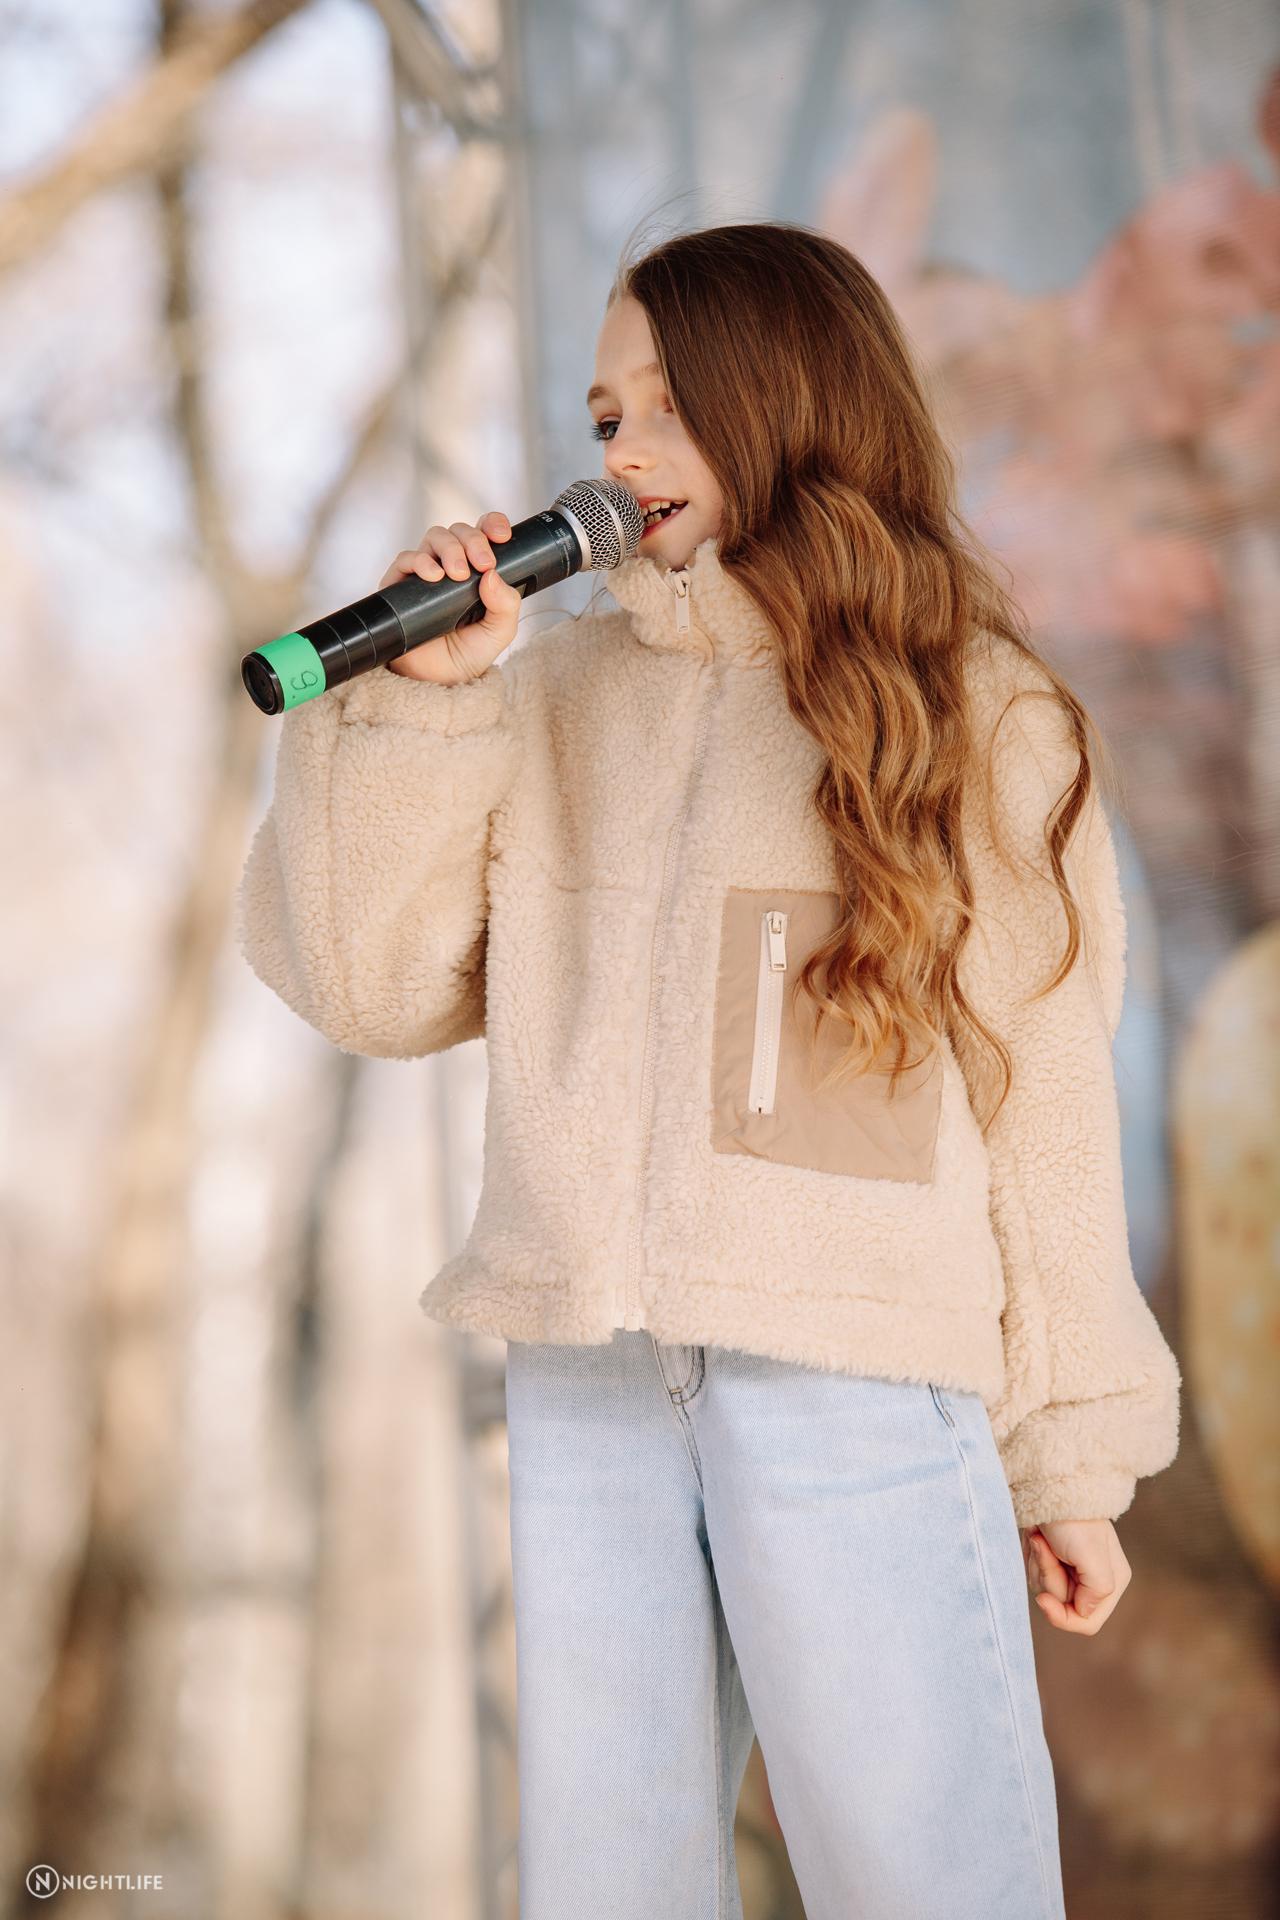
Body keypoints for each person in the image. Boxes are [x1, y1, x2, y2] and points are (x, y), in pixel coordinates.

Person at [235, 221, 1181, 1920]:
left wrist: (1066, 1461)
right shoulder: (549, 694)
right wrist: (423, 709)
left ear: (792, 399)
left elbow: (1042, 1110)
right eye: (605, 415)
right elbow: (367, 986)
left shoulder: (975, 708)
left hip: (852, 1371)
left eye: (667, 404)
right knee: (610, 1882)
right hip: (592, 1376)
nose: (622, 451)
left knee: (926, 1874)